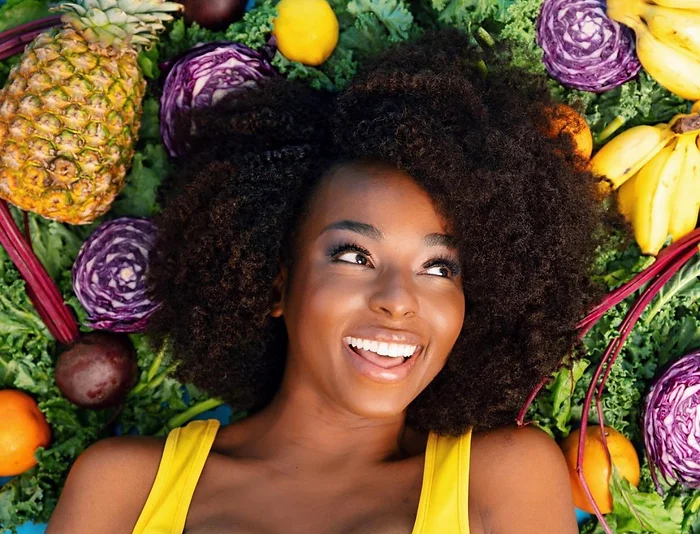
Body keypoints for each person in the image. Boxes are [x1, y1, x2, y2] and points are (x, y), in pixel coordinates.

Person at [47, 28, 611, 533]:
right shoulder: (123, 488)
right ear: (274, 284)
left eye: (439, 268)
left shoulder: (503, 481)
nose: (398, 300)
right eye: (354, 255)